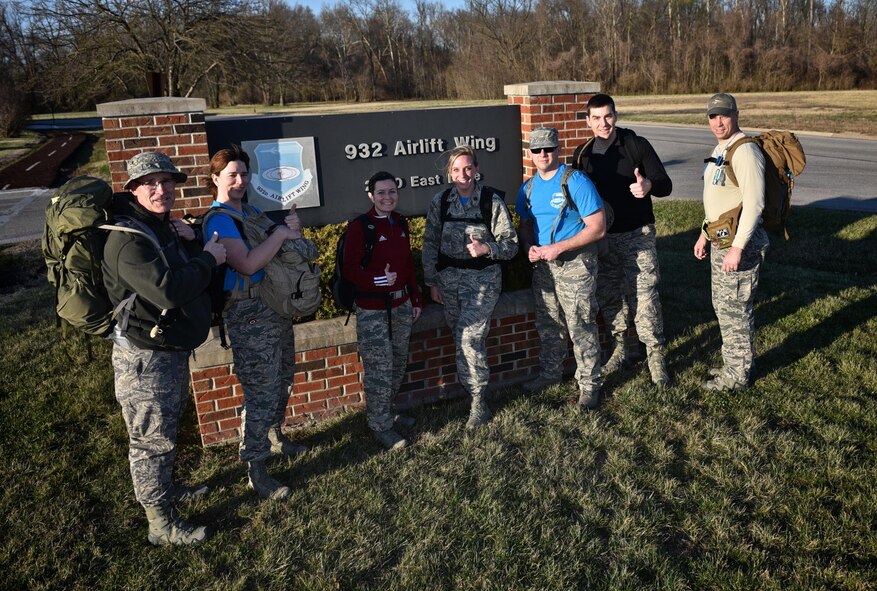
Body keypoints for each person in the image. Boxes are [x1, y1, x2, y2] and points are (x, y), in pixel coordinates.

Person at [102, 151, 227, 546]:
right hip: (143, 359)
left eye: (167, 182)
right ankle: (160, 523)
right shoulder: (127, 240)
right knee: (150, 439)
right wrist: (209, 258)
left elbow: (177, 273)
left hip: (167, 349)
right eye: (151, 183)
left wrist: (191, 243)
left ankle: (166, 490)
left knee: (165, 429)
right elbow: (169, 290)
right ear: (134, 189)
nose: (162, 190)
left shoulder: (161, 227)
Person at [203, 145, 314, 499]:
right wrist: (280, 234)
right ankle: (256, 467)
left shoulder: (249, 210)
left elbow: (279, 247)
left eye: (243, 174)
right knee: (260, 391)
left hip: (273, 308)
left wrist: (289, 231)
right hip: (248, 315)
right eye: (231, 175)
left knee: (282, 379)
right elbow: (248, 264)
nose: (239, 181)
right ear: (215, 179)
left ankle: (275, 437)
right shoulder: (219, 219)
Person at [578, 93, 673, 386]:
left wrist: (648, 185)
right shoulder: (583, 155)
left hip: (637, 236)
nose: (603, 123)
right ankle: (622, 347)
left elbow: (665, 185)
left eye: (608, 116)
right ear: (588, 121)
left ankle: (656, 356)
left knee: (644, 297)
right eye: (596, 118)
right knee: (609, 296)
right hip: (603, 240)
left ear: (615, 115)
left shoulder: (635, 144)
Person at [421, 146, 518, 428]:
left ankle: (478, 401)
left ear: (476, 169)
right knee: (459, 335)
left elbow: (511, 246)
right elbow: (429, 245)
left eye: (467, 168)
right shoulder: (441, 202)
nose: (463, 175)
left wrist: (487, 247)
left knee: (469, 338)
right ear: (449, 173)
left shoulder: (491, 201)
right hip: (449, 283)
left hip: (483, 283)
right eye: (456, 170)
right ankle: (469, 387)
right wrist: (432, 282)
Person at [517, 127, 607, 409]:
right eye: (537, 150)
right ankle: (550, 374)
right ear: (530, 153)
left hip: (575, 264)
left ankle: (590, 385)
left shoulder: (575, 181)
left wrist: (560, 247)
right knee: (548, 324)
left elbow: (598, 228)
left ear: (558, 149)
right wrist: (529, 247)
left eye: (549, 149)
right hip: (544, 266)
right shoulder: (528, 187)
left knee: (580, 324)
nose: (543, 154)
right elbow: (526, 224)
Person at [694, 93, 770, 391]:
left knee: (736, 309)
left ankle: (737, 377)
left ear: (736, 114)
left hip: (740, 244)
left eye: (724, 115)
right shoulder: (721, 148)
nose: (718, 121)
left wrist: (738, 248)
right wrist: (703, 233)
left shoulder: (745, 151)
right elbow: (717, 199)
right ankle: (734, 364)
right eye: (713, 116)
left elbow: (754, 203)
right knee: (724, 306)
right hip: (720, 241)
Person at [343, 171, 423, 448]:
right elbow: (349, 269)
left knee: (398, 362)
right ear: (371, 196)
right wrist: (377, 280)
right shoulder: (360, 227)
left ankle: (387, 411)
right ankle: (381, 426)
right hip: (372, 309)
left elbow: (408, 265)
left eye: (392, 192)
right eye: (381, 193)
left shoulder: (400, 222)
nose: (387, 197)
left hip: (401, 306)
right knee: (379, 368)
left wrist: (415, 298)